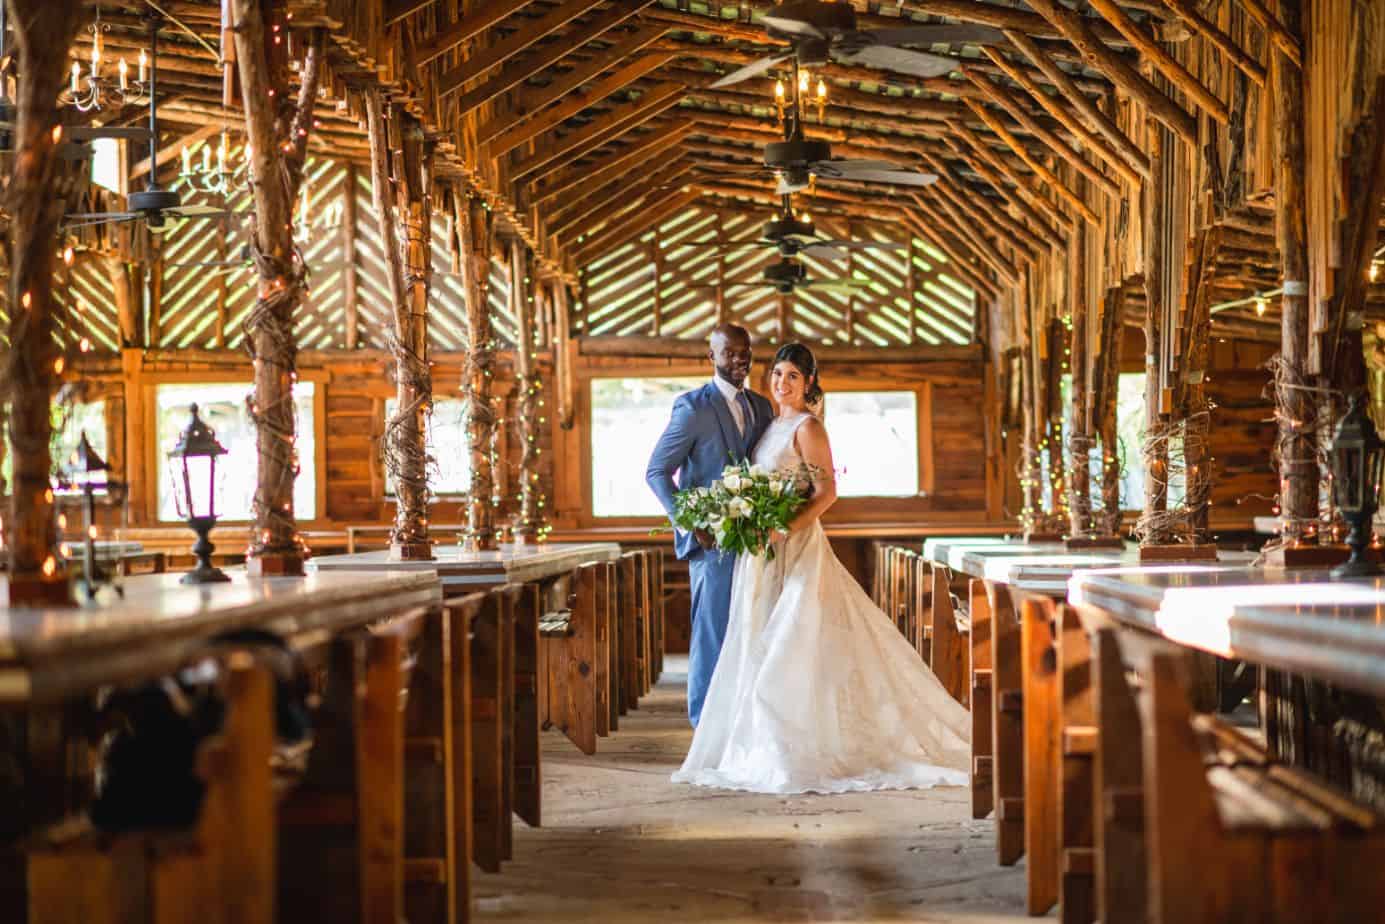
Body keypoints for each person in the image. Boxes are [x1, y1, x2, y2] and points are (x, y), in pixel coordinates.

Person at [672, 342, 970, 794]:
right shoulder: (773, 425)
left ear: (808, 382)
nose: (781, 383)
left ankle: (791, 746)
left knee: (790, 641)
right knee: (757, 638)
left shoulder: (809, 427)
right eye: (776, 374)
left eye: (792, 376)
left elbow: (826, 493)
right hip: (759, 554)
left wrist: (779, 529)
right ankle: (755, 743)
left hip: (794, 548)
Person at [646, 323, 774, 727]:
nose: (740, 359)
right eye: (730, 352)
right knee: (712, 632)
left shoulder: (761, 406)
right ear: (712, 357)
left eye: (745, 351)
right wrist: (689, 523)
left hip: (755, 538)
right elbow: (657, 472)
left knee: (754, 630)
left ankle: (743, 720)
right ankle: (703, 724)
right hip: (711, 542)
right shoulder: (693, 407)